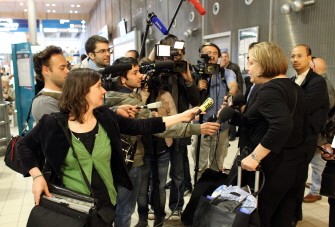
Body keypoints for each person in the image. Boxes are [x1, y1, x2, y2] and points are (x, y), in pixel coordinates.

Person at [16, 68, 202, 226]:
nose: (104, 91)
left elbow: (142, 126)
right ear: (82, 92)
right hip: (72, 207)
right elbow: (22, 146)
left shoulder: (105, 117)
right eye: (98, 86)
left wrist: (182, 116)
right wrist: (37, 176)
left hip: (106, 204)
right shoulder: (54, 123)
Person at [104, 57, 219, 227]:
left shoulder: (109, 97)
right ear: (122, 78)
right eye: (135, 72)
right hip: (130, 162)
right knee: (125, 210)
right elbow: (161, 127)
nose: (141, 76)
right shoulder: (128, 101)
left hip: (119, 159)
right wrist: (197, 129)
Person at [230, 42, 308, 227]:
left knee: (260, 218)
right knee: (282, 218)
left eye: (250, 62)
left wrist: (255, 157)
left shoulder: (270, 90)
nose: (247, 67)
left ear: (264, 63)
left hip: (273, 168)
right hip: (292, 165)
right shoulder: (293, 87)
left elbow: (282, 125)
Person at [152, 34, 201, 220]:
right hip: (157, 127)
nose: (172, 57)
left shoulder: (184, 71)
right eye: (168, 52)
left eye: (176, 53)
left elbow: (196, 102)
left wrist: (188, 79)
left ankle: (177, 206)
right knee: (157, 174)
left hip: (179, 128)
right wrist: (157, 68)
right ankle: (156, 209)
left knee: (179, 173)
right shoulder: (154, 71)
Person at [290, 44, 329, 225]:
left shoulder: (317, 82)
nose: (295, 60)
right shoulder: (292, 80)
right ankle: (288, 211)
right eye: (293, 56)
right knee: (291, 178)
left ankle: (295, 214)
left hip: (306, 138)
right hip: (291, 137)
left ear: (309, 58)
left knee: (298, 178)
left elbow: (304, 107)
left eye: (299, 56)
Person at [191, 42, 238, 180]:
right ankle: (198, 194)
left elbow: (233, 86)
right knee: (200, 165)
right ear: (201, 56)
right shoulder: (195, 75)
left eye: (215, 53)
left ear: (219, 57)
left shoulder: (227, 73)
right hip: (200, 126)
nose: (211, 55)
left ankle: (213, 192)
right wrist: (197, 87)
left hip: (221, 126)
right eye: (208, 53)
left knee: (217, 164)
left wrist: (229, 96)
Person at [304, 57, 335, 203]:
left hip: (321, 132)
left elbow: (326, 110)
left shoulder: (322, 84)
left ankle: (316, 190)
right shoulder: (322, 82)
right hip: (320, 130)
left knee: (318, 162)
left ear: (314, 68)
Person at [32, 45, 69, 122]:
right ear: (46, 70)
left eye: (67, 67)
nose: (67, 71)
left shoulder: (64, 94)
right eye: (62, 68)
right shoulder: (44, 103)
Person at [220, 51, 244, 141]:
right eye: (222, 57)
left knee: (231, 110)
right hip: (223, 93)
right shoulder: (219, 68)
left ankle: (232, 133)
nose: (224, 58)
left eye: (226, 56)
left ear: (228, 57)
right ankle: (227, 131)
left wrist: (239, 94)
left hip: (232, 94)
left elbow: (239, 81)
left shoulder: (234, 67)